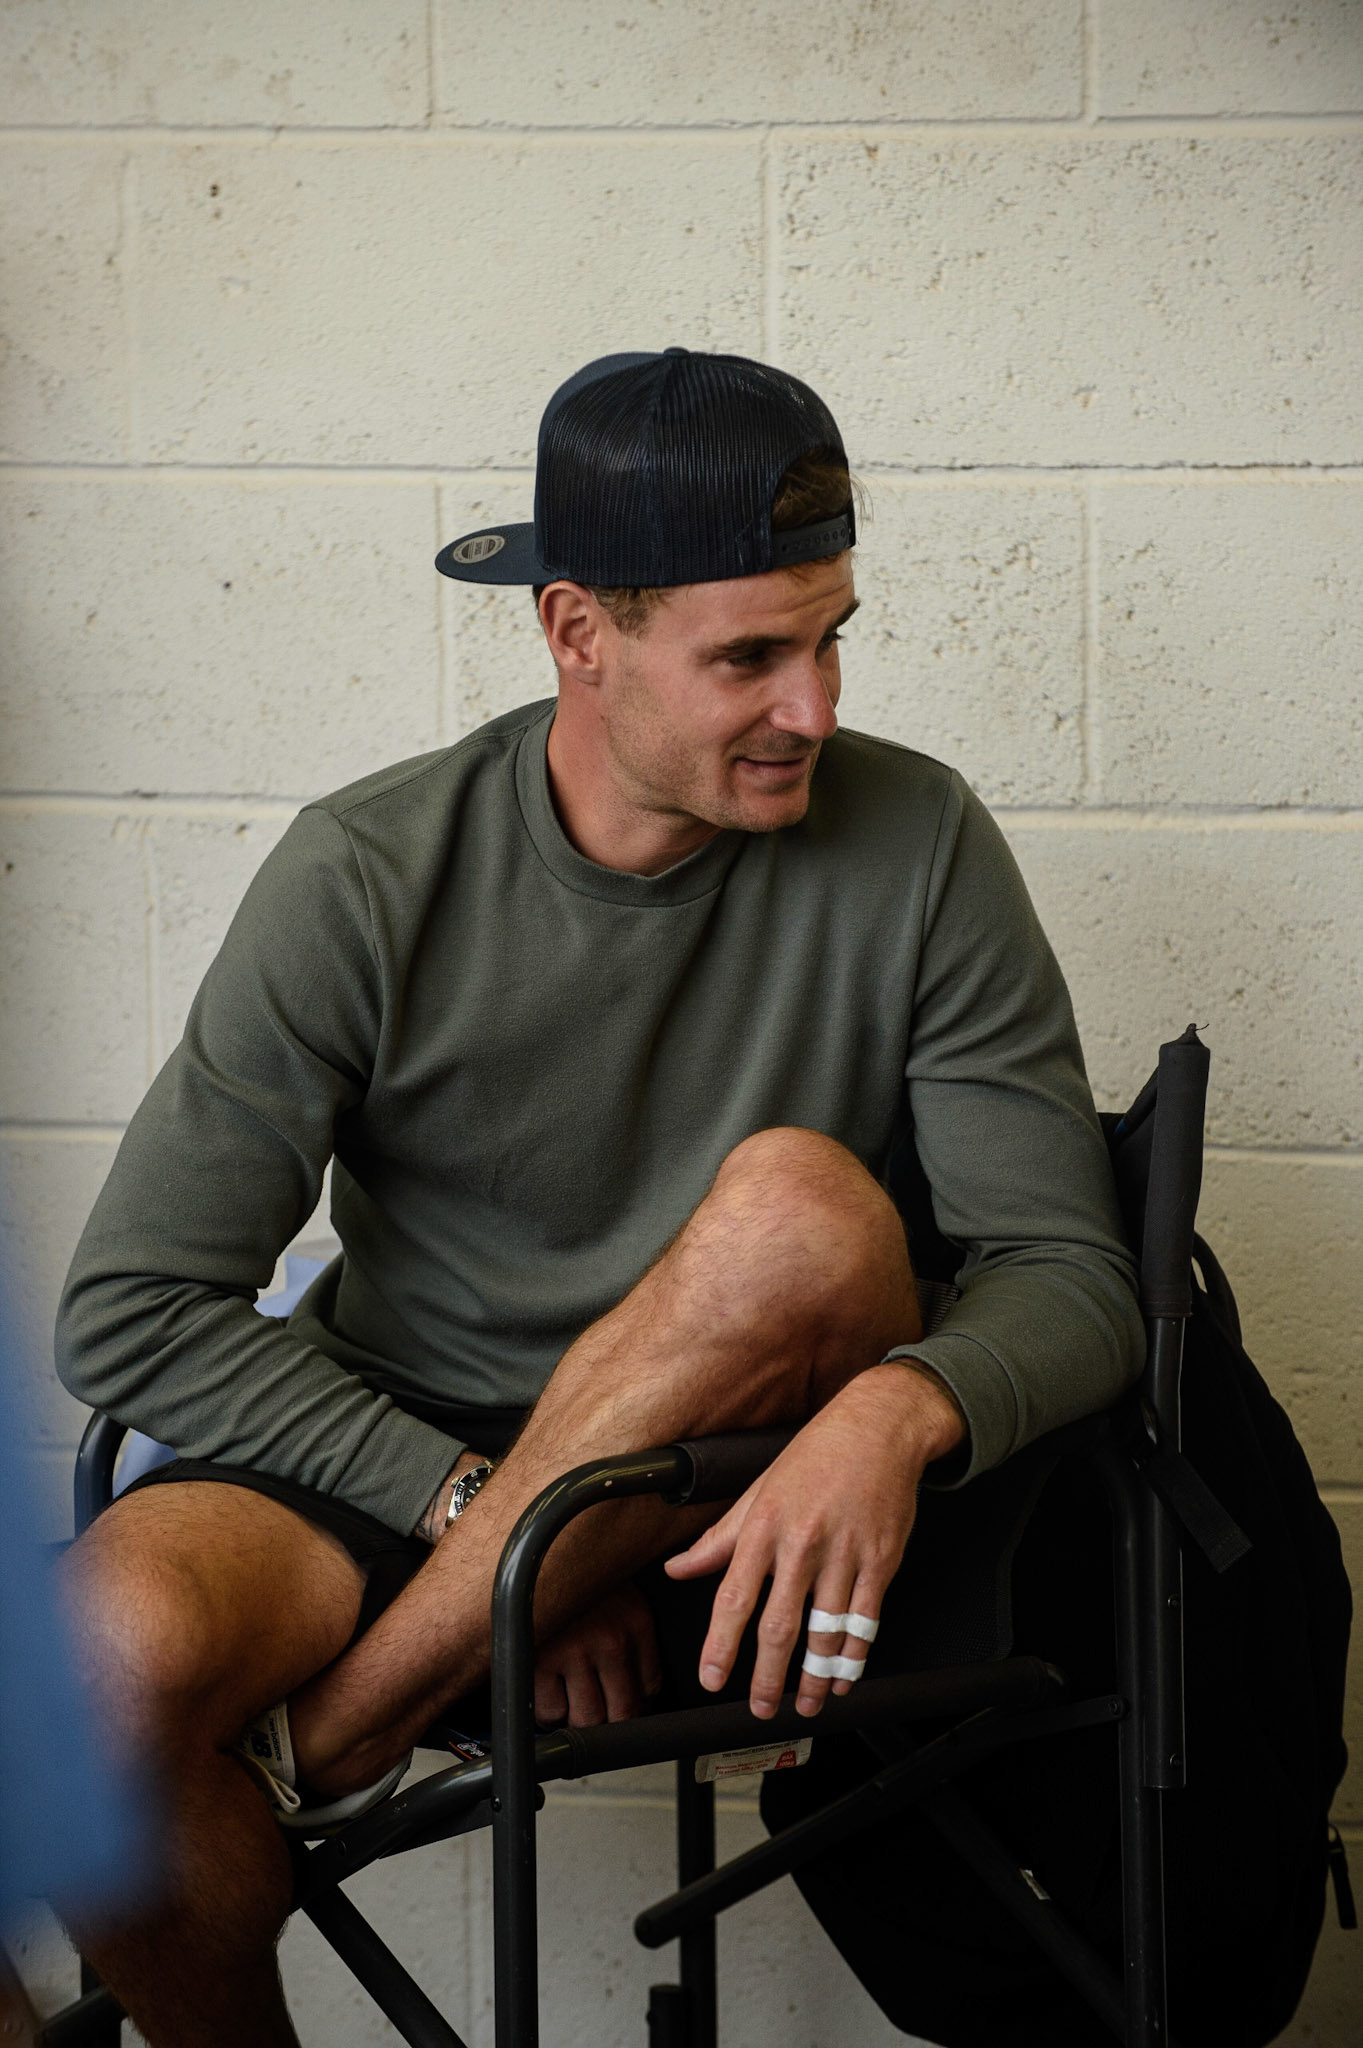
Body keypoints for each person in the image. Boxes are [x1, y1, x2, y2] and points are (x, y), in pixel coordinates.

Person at [53, 348, 1143, 2047]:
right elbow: (131, 1308)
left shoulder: (920, 841)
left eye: (833, 633)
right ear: (577, 634)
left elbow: (1071, 1274)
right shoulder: (366, 870)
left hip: (741, 1501)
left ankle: (318, 1753)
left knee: (801, 1205)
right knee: (86, 1675)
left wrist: (897, 1407)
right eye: (753, 656)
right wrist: (500, 1531)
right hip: (415, 1468)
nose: (817, 707)